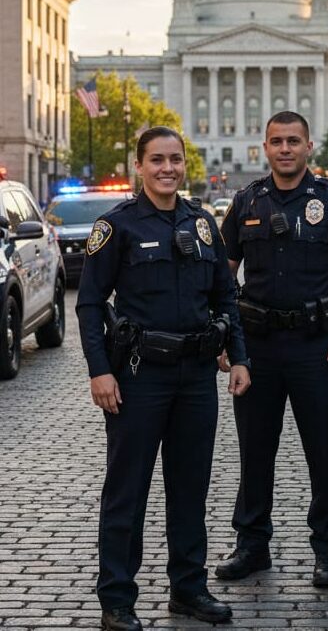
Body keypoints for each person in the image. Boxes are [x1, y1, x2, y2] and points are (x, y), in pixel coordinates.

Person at [76, 126, 251, 631]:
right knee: (127, 490)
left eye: (174, 159)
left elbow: (225, 297)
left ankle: (188, 588)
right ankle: (117, 599)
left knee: (190, 486)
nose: (167, 168)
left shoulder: (202, 225)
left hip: (196, 376)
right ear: (140, 165)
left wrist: (237, 357)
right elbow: (89, 304)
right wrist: (99, 371)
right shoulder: (117, 227)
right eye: (157, 160)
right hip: (137, 377)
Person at [215, 111, 328, 587]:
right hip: (259, 347)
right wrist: (227, 335)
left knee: (323, 455)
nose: (285, 149)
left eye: (293, 141)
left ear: (309, 146)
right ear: (264, 148)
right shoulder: (246, 200)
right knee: (254, 453)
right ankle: (252, 547)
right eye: (276, 142)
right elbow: (223, 271)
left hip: (316, 348)